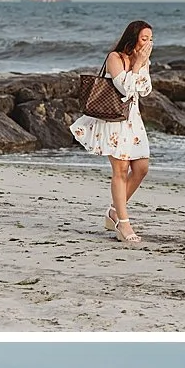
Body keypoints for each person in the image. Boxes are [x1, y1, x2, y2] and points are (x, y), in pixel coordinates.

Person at [70, 18, 155, 246]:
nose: (148, 43)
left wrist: (141, 66)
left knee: (142, 168)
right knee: (121, 169)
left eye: (150, 39)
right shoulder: (114, 58)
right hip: (113, 121)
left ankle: (114, 211)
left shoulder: (143, 60)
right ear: (133, 37)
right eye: (144, 38)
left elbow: (145, 89)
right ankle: (123, 223)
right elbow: (125, 87)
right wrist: (137, 66)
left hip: (133, 121)